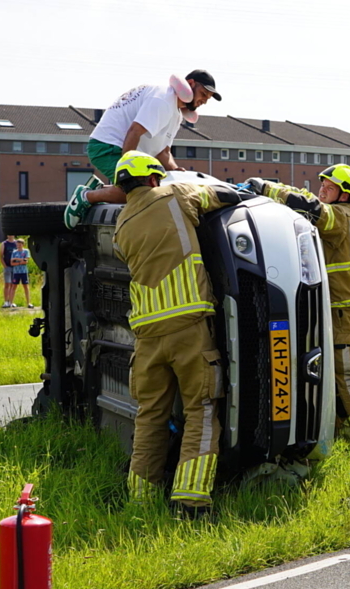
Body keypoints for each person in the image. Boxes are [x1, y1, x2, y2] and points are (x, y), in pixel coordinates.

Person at [112, 151, 242, 515]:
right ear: (155, 178)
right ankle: (190, 500)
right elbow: (225, 196)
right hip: (189, 326)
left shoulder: (121, 226)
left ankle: (139, 500)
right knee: (200, 409)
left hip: (147, 336)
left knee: (150, 415)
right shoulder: (175, 195)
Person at [244, 166, 350, 458]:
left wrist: (266, 189)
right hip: (336, 310)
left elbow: (310, 206)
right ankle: (340, 437)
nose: (322, 191)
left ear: (345, 194)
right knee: (330, 377)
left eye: (329, 187)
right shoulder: (339, 215)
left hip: (343, 311)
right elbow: (305, 197)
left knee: (344, 377)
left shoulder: (341, 216)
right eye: (322, 186)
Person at [64, 70, 223, 229]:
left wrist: (177, 172)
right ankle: (86, 196)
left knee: (152, 191)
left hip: (124, 149)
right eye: (203, 94)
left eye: (207, 98)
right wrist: (129, 173)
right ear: (190, 84)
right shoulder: (163, 98)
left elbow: (163, 152)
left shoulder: (176, 114)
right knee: (138, 193)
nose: (204, 101)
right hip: (107, 146)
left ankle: (100, 190)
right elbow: (134, 131)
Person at [9, 239, 33, 308]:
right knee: (14, 286)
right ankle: (11, 302)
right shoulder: (14, 252)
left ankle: (28, 302)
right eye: (17, 244)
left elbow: (26, 260)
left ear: (23, 244)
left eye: (20, 244)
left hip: (24, 271)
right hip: (16, 272)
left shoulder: (26, 251)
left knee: (26, 286)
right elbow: (12, 262)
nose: (19, 245)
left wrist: (17, 259)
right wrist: (20, 261)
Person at [0, 234, 18, 308]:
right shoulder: (4, 244)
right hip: (8, 266)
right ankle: (6, 301)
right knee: (7, 284)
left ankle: (11, 301)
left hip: (15, 267)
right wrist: (5, 266)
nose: (11, 236)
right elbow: (1, 256)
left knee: (13, 285)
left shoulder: (16, 243)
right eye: (9, 234)